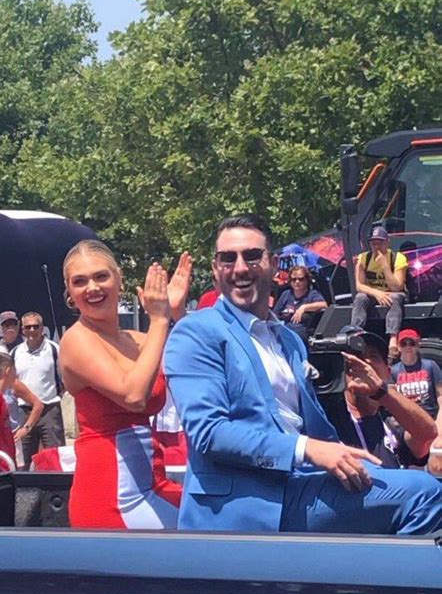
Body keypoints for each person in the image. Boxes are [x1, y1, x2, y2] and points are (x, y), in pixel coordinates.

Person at [165, 213, 442, 535]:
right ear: (215, 269)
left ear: (273, 264)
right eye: (228, 258)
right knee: (425, 494)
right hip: (247, 503)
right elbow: (210, 433)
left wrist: (358, 445)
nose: (239, 268)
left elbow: (319, 429)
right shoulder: (196, 332)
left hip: (301, 484)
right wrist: (307, 448)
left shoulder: (289, 340)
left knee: (419, 484)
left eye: (252, 256)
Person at [60, 240, 192, 529]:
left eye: (101, 276)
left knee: (219, 520)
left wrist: (176, 313)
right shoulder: (76, 340)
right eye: (79, 281)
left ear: (119, 278)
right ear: (69, 292)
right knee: (208, 531)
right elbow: (133, 395)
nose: (92, 288)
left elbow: (197, 364)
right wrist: (159, 321)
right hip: (112, 497)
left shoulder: (137, 340)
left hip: (152, 483)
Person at [324, 327, 437, 469]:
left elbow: (427, 435)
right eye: (356, 356)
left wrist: (380, 391)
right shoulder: (327, 419)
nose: (365, 362)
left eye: (373, 355)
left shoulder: (392, 420)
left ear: (388, 371)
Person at [11, 312, 66, 467]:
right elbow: (11, 382)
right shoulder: (15, 352)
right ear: (22, 329)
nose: (32, 330)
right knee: (23, 461)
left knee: (54, 458)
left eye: (36, 326)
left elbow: (65, 378)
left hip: (50, 410)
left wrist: (58, 394)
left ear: (42, 328)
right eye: (28, 327)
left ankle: (55, 484)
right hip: (24, 412)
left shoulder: (54, 349)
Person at [350, 226, 407, 362]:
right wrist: (376, 293)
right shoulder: (364, 258)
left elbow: (397, 287)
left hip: (392, 293)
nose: (376, 246)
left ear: (387, 242)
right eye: (373, 243)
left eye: (380, 242)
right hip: (374, 294)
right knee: (360, 298)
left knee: (395, 297)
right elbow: (359, 286)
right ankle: (355, 332)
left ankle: (393, 338)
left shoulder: (398, 258)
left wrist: (385, 266)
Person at [390, 329, 442, 430]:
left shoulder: (430, 366)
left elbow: (440, 396)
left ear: (417, 345)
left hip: (430, 418)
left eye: (412, 343)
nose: (408, 346)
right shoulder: (393, 371)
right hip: (405, 422)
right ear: (399, 347)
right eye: (404, 343)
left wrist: (439, 422)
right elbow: (391, 401)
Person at [274, 266, 327, 341]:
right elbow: (275, 315)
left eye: (301, 279)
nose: (297, 282)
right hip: (285, 333)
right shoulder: (286, 294)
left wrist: (303, 308)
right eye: (294, 279)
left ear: (307, 280)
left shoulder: (312, 294)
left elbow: (324, 305)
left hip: (303, 335)